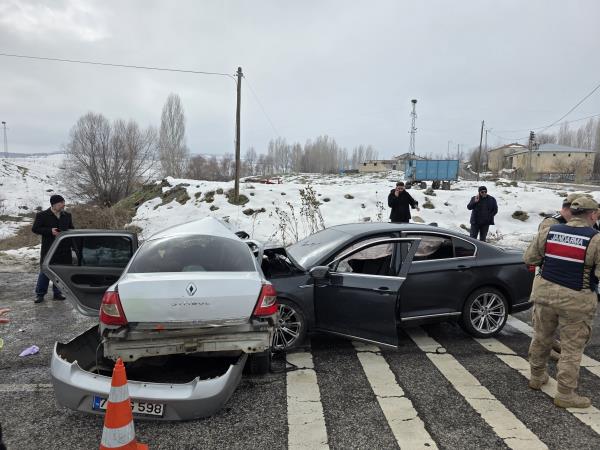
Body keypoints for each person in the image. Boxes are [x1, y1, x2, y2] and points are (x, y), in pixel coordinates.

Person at [524, 197, 600, 408]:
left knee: (541, 338)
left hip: (545, 295)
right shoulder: (595, 239)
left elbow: (530, 258)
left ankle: (536, 377)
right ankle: (565, 394)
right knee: (571, 348)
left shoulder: (549, 231)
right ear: (592, 214)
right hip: (576, 300)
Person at [31, 194, 74, 303]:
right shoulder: (42, 215)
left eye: (63, 203)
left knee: (60, 272)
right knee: (45, 271)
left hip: (63, 249)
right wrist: (50, 231)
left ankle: (58, 293)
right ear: (54, 204)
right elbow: (35, 229)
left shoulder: (67, 215)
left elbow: (71, 229)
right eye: (61, 203)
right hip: (49, 248)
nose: (63, 205)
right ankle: (40, 294)